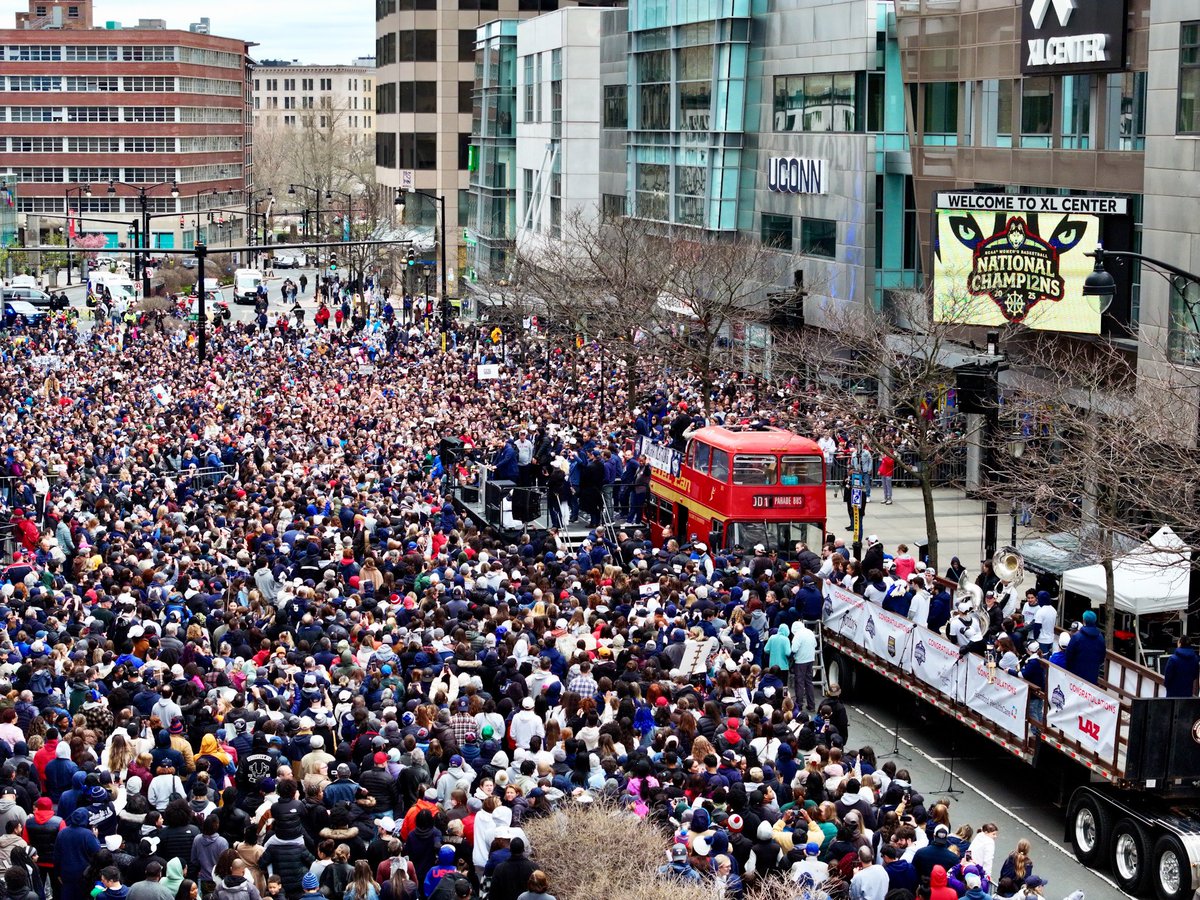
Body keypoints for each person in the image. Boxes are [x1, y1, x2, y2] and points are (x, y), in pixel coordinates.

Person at [1064, 611, 1106, 685]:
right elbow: (1102, 656)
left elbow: (1068, 655)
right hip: (1092, 675)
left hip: (1076, 674)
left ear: (1084, 621)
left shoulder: (1077, 637)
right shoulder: (1100, 637)